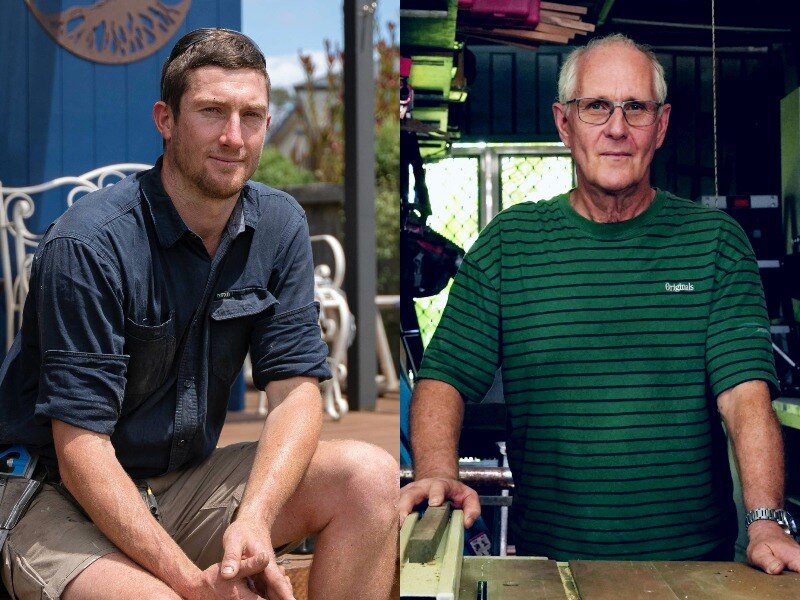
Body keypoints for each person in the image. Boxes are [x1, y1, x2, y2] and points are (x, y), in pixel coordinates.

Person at [0, 28, 397, 600]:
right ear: (166, 120)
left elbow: (295, 393)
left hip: (179, 485)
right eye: (212, 112)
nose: (234, 137)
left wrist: (255, 518)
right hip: (52, 495)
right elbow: (81, 448)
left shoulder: (278, 224)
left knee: (370, 476)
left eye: (251, 116)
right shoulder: (89, 244)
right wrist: (193, 585)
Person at [399, 33, 800, 574]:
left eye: (636, 107)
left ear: (661, 125)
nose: (617, 128)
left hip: (693, 570)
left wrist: (766, 520)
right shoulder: (510, 243)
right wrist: (437, 472)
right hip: (551, 569)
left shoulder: (716, 243)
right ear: (564, 123)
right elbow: (443, 379)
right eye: (596, 107)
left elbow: (745, 399)